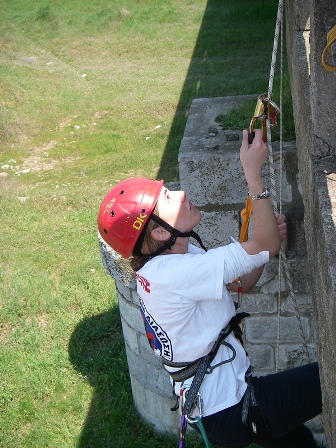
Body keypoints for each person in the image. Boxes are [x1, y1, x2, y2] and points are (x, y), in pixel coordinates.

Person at [97, 129, 322, 448]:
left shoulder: (171, 260)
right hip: (234, 408)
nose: (181, 193)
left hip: (223, 408)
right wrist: (253, 175)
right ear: (160, 234)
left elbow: (241, 281)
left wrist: (262, 242)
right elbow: (265, 244)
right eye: (168, 199)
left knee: (300, 442)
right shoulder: (174, 272)